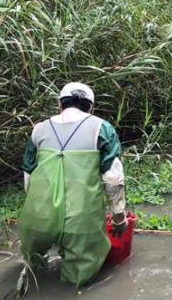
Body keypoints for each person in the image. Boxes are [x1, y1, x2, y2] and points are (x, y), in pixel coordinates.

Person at [19, 82, 127, 286]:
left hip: (40, 215)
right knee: (78, 279)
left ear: (60, 104)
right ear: (91, 107)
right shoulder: (101, 128)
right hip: (81, 219)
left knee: (34, 270)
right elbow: (113, 178)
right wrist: (119, 216)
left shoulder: (38, 130)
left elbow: (29, 176)